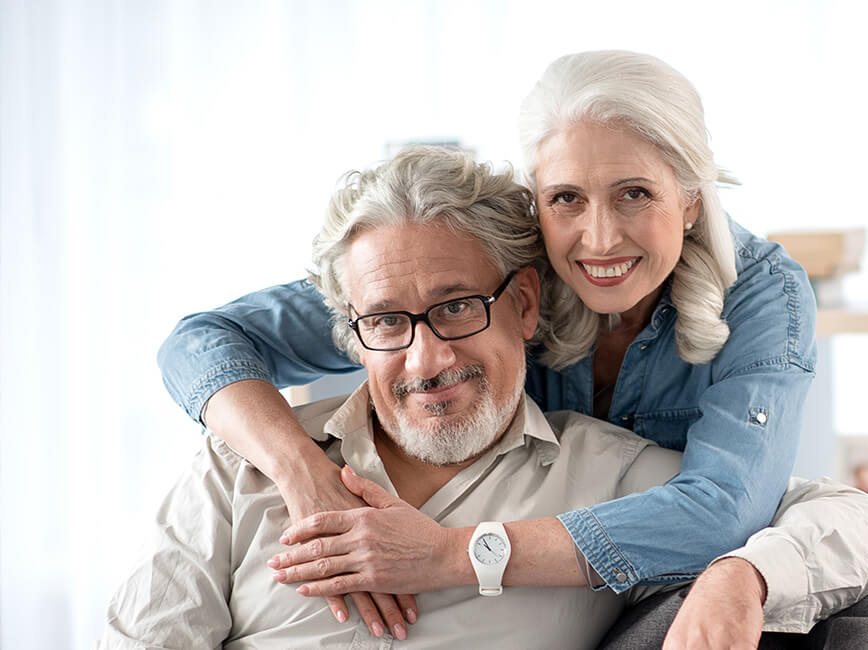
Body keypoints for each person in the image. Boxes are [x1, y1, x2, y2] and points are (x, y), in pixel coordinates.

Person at [106, 147, 868, 649]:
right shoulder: (236, 465)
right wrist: (297, 472)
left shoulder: (610, 476)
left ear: (526, 304)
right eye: (387, 320)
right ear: (350, 333)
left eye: (458, 306)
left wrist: (746, 578)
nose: (427, 358)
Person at [156, 50, 821, 633]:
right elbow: (203, 342)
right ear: (538, 197)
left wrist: (451, 553)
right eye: (566, 198)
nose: (597, 239)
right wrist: (304, 474)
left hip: (607, 596)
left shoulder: (765, 296)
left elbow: (726, 508)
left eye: (634, 194)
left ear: (693, 199)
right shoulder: (496, 264)